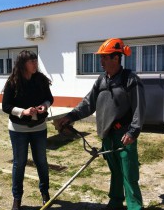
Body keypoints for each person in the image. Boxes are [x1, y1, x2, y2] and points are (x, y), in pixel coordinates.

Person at [58, 38, 146, 210]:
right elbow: (88, 103)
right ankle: (115, 202)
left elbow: (139, 109)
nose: (101, 61)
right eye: (101, 58)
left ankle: (134, 206)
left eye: (105, 57)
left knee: (129, 173)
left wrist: (133, 132)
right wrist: (71, 116)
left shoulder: (130, 80)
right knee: (115, 172)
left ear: (116, 58)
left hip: (124, 135)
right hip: (107, 135)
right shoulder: (101, 80)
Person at [2, 50, 53, 210]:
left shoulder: (40, 79)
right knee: (19, 163)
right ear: (23, 63)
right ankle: (17, 198)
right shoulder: (12, 82)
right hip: (18, 129)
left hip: (39, 127)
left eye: (36, 61)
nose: (35, 64)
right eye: (32, 61)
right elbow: (6, 106)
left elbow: (50, 98)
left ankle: (45, 193)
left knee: (42, 162)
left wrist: (45, 105)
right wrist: (23, 112)